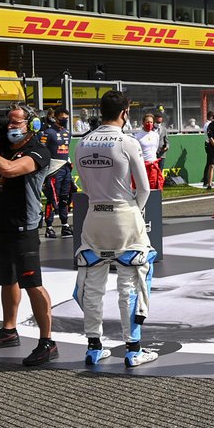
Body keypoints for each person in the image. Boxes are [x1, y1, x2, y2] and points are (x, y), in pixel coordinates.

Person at [0, 104, 57, 366]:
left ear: (32, 125)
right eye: (10, 122)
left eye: (17, 123)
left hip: (23, 226)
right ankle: (8, 330)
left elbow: (10, 170)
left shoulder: (38, 150)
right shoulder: (3, 147)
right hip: (0, 223)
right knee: (8, 279)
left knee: (32, 283)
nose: (11, 127)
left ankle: (47, 341)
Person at [74, 90, 158, 368]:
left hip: (93, 215)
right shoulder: (127, 141)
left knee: (91, 283)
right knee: (132, 280)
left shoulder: (83, 142)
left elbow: (84, 187)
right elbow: (144, 187)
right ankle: (133, 348)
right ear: (125, 112)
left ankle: (94, 346)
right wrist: (136, 209)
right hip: (124, 214)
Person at [41, 108, 75, 238]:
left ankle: (65, 224)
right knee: (52, 198)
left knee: (65, 197)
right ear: (55, 118)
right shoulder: (48, 133)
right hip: (54, 170)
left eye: (66, 119)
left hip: (65, 168)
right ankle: (49, 227)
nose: (65, 121)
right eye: (62, 119)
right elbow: (42, 151)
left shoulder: (67, 133)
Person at [134, 112, 164, 190]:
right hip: (143, 166)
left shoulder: (155, 135)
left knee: (154, 187)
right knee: (143, 188)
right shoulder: (137, 136)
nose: (149, 124)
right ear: (143, 123)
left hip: (154, 165)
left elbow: (156, 148)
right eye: (147, 122)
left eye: (151, 122)